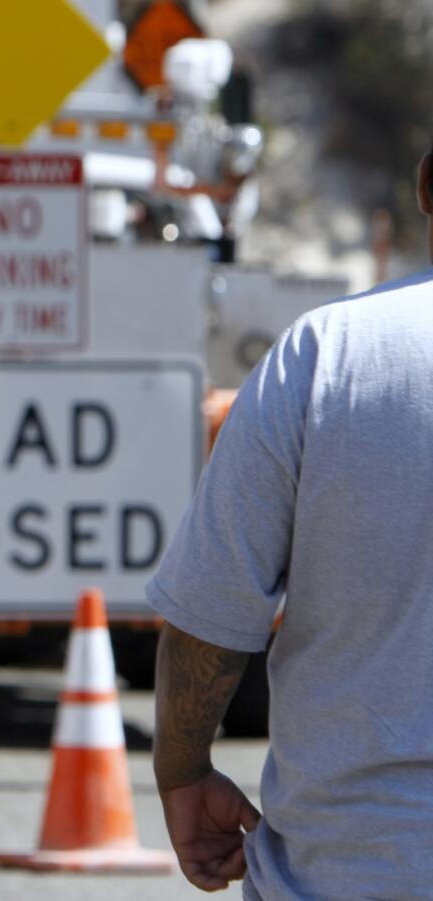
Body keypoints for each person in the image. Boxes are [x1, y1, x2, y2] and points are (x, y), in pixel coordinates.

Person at [147, 146, 433, 899]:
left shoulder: (328, 352)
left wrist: (183, 770)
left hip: (350, 866)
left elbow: (212, 613)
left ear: (428, 187)